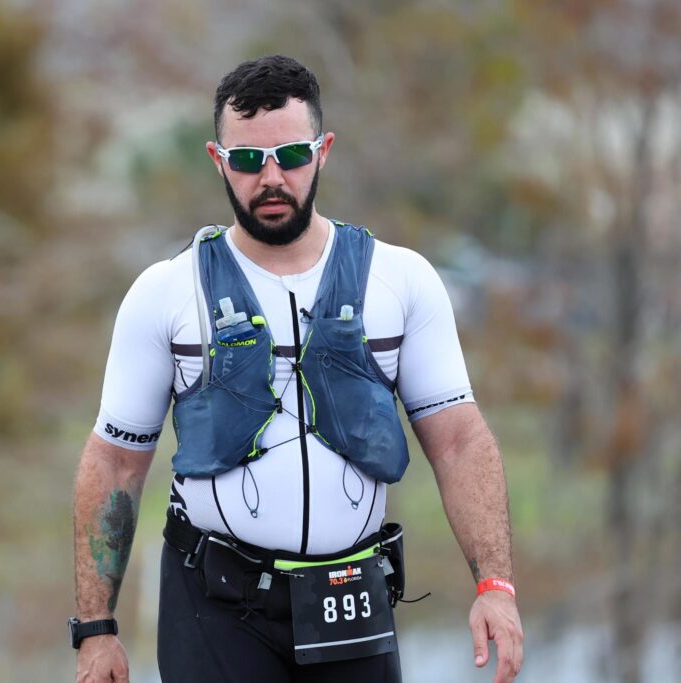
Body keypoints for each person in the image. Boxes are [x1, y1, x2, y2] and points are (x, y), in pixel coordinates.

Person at [71, 55, 523, 683]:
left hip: (351, 600)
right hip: (215, 605)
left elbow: (459, 441)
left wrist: (494, 584)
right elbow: (114, 461)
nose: (272, 177)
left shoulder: (402, 281)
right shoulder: (164, 294)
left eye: (292, 155)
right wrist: (96, 630)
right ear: (217, 160)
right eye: (249, 160)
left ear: (324, 150)